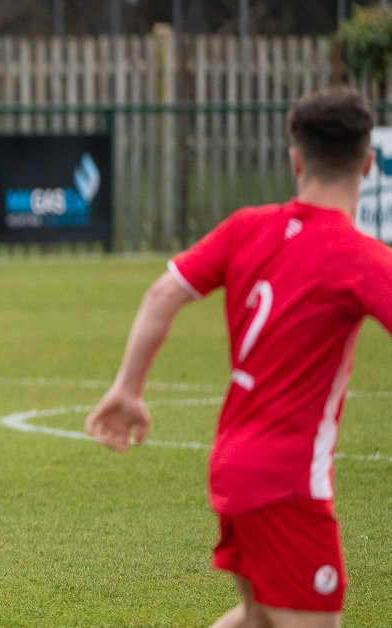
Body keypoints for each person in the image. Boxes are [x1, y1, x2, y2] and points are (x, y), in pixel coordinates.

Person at [86, 86, 392, 628]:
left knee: (257, 620)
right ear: (368, 164)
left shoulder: (247, 226)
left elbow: (162, 295)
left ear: (295, 160)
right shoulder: (362, 258)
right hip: (289, 481)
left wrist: (127, 389)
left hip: (233, 463)